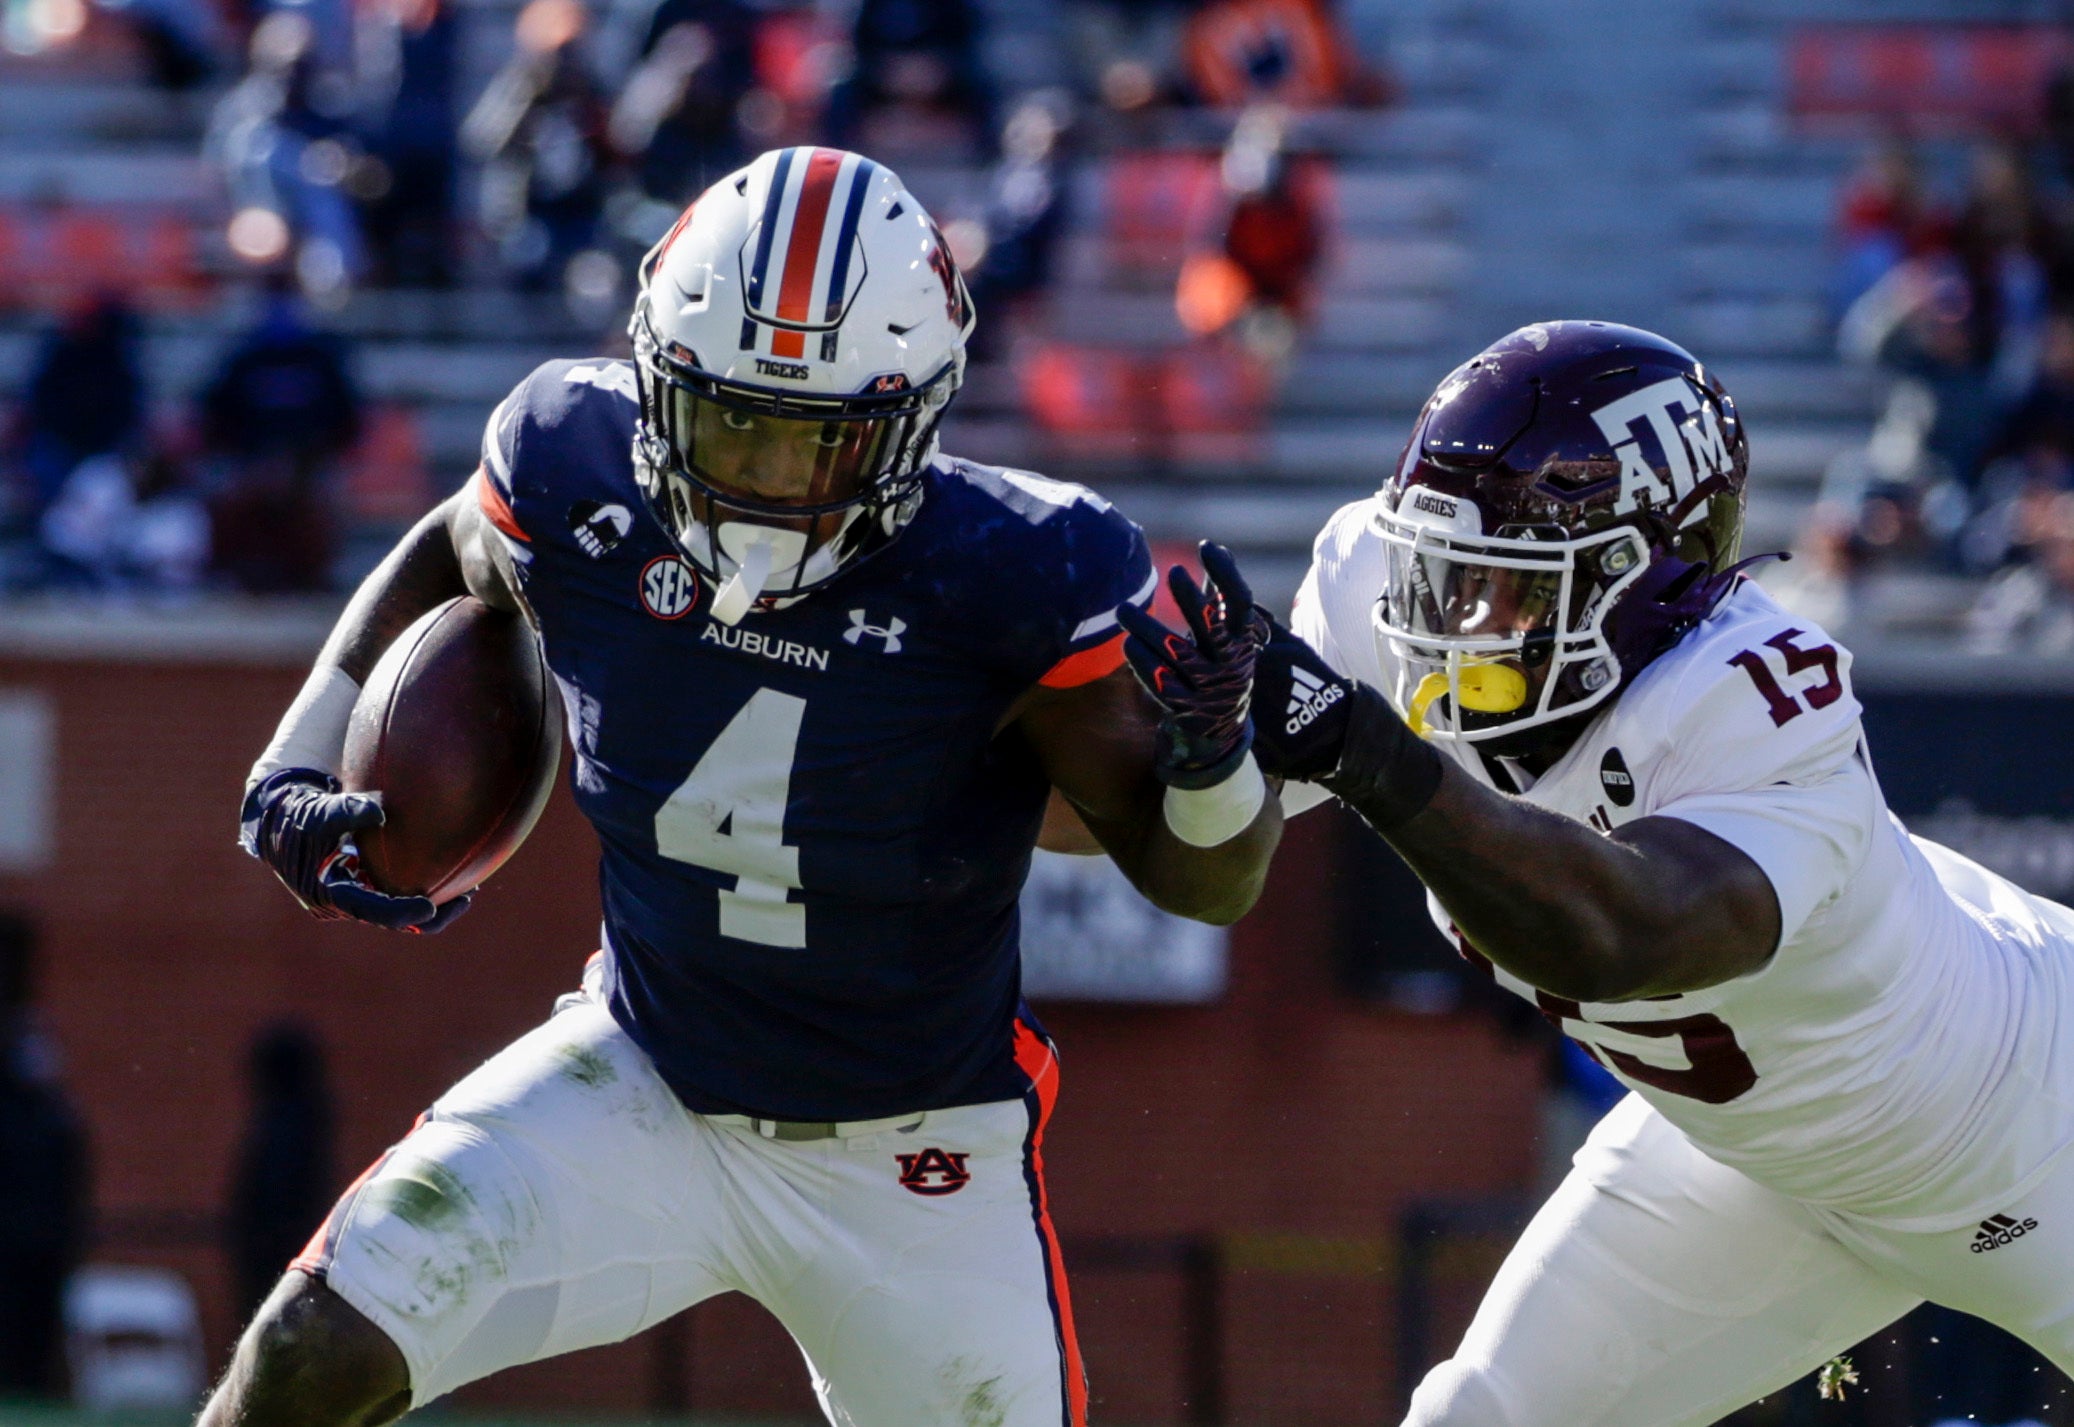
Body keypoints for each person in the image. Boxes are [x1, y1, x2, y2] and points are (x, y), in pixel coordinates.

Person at [208, 146, 1281, 1427]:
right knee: (312, 1343)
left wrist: (1215, 762)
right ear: (658, 378)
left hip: (910, 1153)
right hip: (642, 1071)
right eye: (731, 422)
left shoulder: (1010, 571)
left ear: (914, 419)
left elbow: (1203, 878)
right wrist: (293, 756)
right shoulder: (573, 460)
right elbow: (456, 542)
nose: (763, 480)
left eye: (815, 443)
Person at [1119, 320, 2074, 1424]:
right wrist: (1203, 763)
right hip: (1748, 1160)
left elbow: (1626, 936)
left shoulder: (1753, 698)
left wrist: (1368, 755)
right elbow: (1213, 870)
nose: (1451, 620)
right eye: (1443, 572)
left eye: (1507, 587)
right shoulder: (1386, 589)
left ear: (1642, 586)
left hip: (2022, 1131)